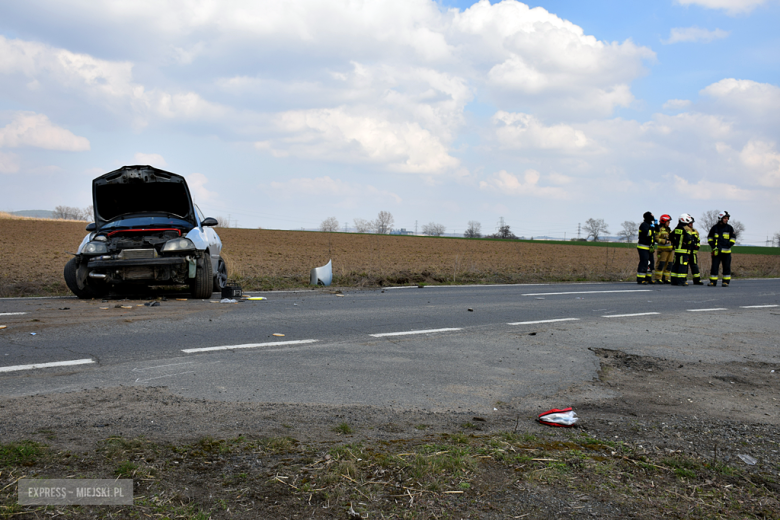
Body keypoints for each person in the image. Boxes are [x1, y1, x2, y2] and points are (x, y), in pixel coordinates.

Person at [708, 211, 735, 287]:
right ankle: (713, 282)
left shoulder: (729, 228)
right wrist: (713, 246)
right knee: (714, 267)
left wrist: (729, 244)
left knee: (726, 267)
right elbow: (710, 238)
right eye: (725, 218)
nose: (726, 220)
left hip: (726, 252)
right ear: (720, 218)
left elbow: (733, 238)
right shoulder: (714, 228)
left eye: (727, 218)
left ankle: (726, 282)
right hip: (716, 251)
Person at [670, 213, 693, 286]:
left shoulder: (676, 228)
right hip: (684, 251)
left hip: (677, 251)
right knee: (682, 266)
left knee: (676, 265)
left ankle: (673, 281)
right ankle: (681, 281)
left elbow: (670, 236)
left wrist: (675, 242)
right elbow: (689, 238)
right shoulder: (686, 228)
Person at [653, 214, 673, 284]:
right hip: (662, 250)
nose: (669, 223)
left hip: (670, 250)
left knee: (669, 264)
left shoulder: (668, 229)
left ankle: (665, 278)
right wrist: (664, 241)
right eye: (668, 221)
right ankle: (658, 278)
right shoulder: (659, 228)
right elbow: (656, 238)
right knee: (661, 264)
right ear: (663, 221)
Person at [636, 211, 655, 284]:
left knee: (650, 263)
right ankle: (641, 279)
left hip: (649, 247)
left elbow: (656, 233)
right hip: (643, 247)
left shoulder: (650, 225)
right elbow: (647, 233)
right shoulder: (644, 225)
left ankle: (648, 278)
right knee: (644, 262)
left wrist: (655, 225)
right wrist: (652, 229)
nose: (653, 216)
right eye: (651, 215)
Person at [687, 217, 704, 285]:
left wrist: (697, 247)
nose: (691, 224)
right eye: (690, 223)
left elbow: (698, 240)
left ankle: (697, 280)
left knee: (694, 266)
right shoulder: (685, 230)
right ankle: (684, 280)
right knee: (685, 267)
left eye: (692, 223)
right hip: (686, 252)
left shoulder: (695, 231)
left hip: (693, 252)